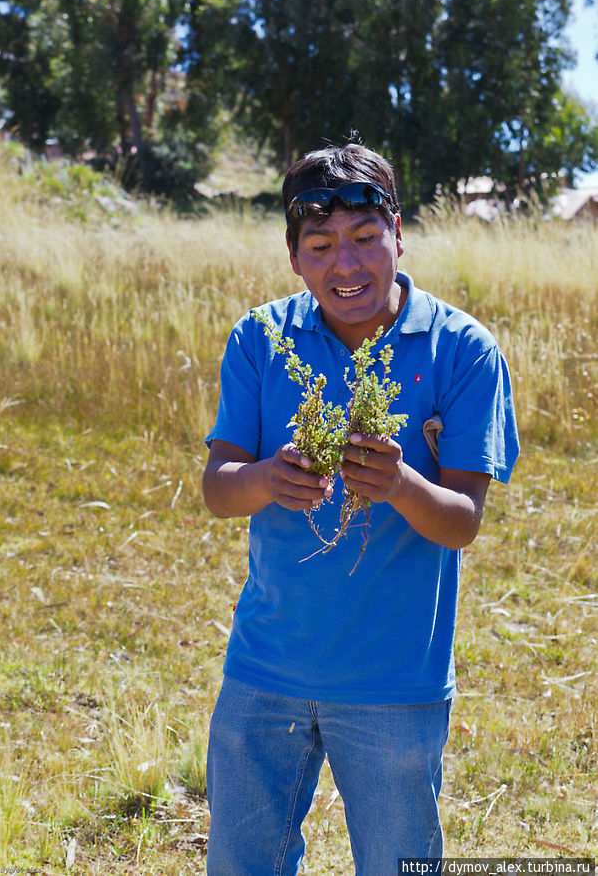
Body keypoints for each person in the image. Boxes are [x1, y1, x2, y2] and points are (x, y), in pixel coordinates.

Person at [202, 141, 519, 875]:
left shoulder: (462, 350)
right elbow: (218, 486)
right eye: (320, 245)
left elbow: (462, 521)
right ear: (294, 256)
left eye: (364, 240)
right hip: (265, 668)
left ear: (398, 234)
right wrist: (267, 480)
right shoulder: (261, 339)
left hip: (394, 684)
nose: (345, 266)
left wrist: (401, 484)